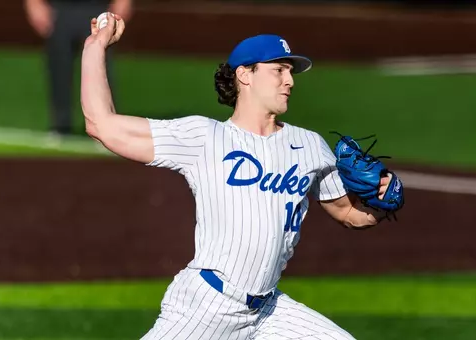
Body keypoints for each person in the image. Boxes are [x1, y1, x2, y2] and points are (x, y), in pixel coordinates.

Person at [80, 14, 397, 340]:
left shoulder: (310, 146)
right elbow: (100, 124)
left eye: (290, 72)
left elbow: (347, 212)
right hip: (206, 308)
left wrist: (380, 203)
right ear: (245, 75)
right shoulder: (205, 138)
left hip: (269, 312)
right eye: (279, 70)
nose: (290, 81)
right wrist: (95, 45)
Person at [24, 0, 132, 137]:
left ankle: (107, 129)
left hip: (98, 6)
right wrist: (33, 3)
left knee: (101, 68)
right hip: (59, 8)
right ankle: (60, 127)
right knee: (59, 68)